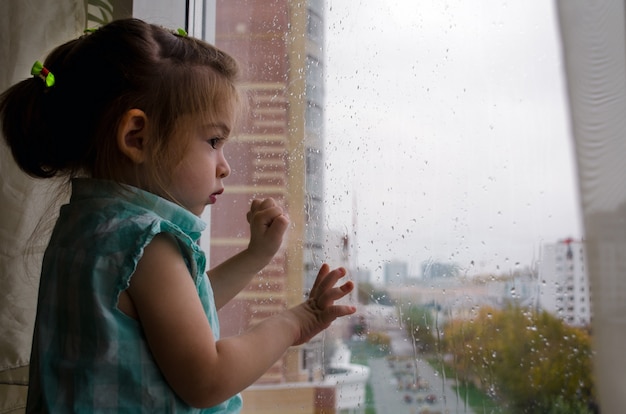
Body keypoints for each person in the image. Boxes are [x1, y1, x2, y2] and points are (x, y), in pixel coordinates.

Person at [0, 18, 356, 413]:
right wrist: (297, 322)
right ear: (137, 136)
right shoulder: (143, 241)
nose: (225, 166)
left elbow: (179, 309)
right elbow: (208, 379)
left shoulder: (86, 223)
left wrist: (255, 256)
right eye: (213, 141)